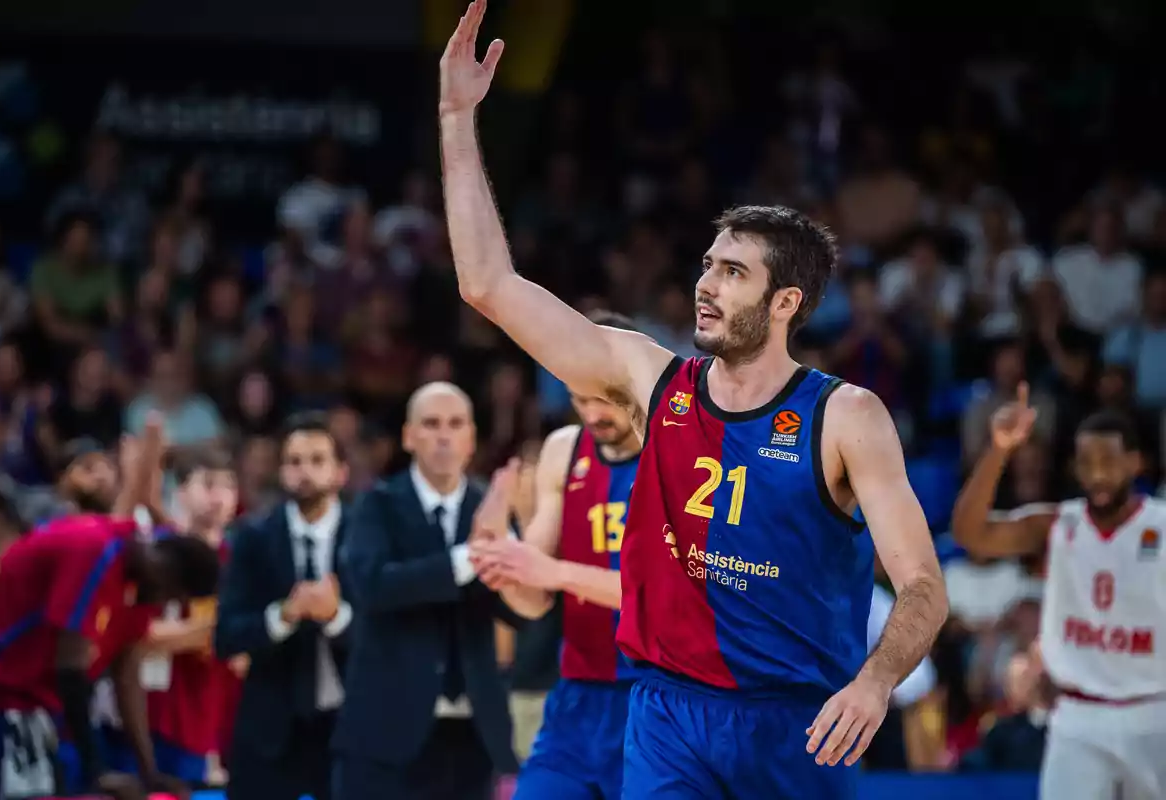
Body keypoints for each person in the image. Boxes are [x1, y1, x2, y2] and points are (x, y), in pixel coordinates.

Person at [437, 5, 947, 798]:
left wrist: (877, 681)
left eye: (733, 272)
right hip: (667, 713)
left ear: (786, 303)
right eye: (707, 264)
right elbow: (488, 286)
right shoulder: (651, 379)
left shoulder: (844, 417)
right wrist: (457, 120)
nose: (706, 284)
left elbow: (922, 586)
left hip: (797, 722)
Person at [952, 392, 1166, 799]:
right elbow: (969, 533)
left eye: (1109, 461)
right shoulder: (1056, 524)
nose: (1097, 474)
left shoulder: (1160, 527)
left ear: (1136, 462)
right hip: (1078, 719)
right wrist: (998, 451)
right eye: (1087, 463)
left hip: (1154, 711)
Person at [333, 382, 537, 800]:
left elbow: (519, 614)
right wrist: (468, 559)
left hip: (473, 732)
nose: (444, 435)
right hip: (386, 732)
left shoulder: (491, 508)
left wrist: (518, 559)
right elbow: (372, 587)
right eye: (431, 424)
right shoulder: (377, 505)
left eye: (455, 424)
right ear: (408, 436)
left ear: (471, 438)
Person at [471, 312, 644, 800]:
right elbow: (536, 599)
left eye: (602, 398)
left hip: (656, 695)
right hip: (577, 693)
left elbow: (659, 593)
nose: (591, 413)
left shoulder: (672, 449)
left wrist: (552, 570)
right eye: (577, 398)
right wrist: (503, 562)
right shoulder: (563, 449)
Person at [0, 480, 222, 800]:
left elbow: (127, 676)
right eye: (170, 595)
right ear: (168, 577)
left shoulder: (138, 587)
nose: (161, 604)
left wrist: (149, 771)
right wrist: (96, 770)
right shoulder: (98, 549)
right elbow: (69, 668)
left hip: (24, 704)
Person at [215, 412, 352, 800]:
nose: (304, 472)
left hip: (351, 728)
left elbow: (390, 635)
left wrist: (336, 616)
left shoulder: (368, 534)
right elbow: (226, 636)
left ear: (340, 472)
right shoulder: (252, 537)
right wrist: (283, 615)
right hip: (269, 731)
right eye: (294, 461)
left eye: (316, 460)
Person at [103, 448, 239, 785]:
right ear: (179, 492)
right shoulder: (151, 553)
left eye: (227, 486)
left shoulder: (239, 563)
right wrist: (209, 631)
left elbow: (235, 650)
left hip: (196, 724)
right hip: (129, 718)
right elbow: (128, 634)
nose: (218, 497)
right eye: (208, 484)